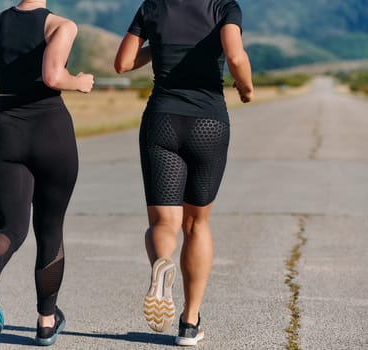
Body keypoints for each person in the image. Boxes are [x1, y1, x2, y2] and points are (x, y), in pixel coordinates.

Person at [115, 0, 253, 346]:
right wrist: (246, 89)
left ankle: (162, 264)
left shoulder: (153, 6)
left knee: (164, 222)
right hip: (208, 121)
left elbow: (123, 63)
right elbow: (235, 57)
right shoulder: (223, 6)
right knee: (197, 224)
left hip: (161, 121)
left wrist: (159, 48)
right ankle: (190, 322)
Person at [0, 0, 94, 346]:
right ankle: (46, 321)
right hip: (51, 131)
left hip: (5, 131)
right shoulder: (61, 26)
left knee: (12, 227)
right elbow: (53, 76)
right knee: (50, 229)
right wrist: (78, 81)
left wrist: (12, 74)